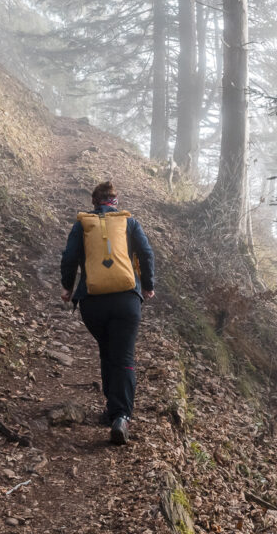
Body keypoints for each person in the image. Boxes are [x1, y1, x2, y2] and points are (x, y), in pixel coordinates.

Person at [60, 180, 156, 444]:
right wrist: (148, 286)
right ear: (116, 202)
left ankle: (111, 410)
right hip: (126, 300)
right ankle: (121, 416)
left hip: (93, 302)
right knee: (124, 356)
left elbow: (69, 258)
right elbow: (147, 254)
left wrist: (68, 287)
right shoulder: (129, 223)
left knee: (106, 350)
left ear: (94, 202)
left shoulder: (83, 224)